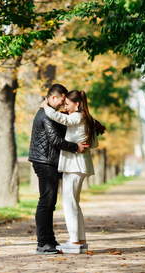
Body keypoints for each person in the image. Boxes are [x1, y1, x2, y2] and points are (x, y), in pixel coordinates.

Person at [29, 84, 88, 255]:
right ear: (53, 98)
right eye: (62, 100)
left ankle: (49, 240)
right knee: (46, 203)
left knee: (50, 203)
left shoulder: (51, 114)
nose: (63, 104)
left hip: (49, 161)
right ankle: (43, 243)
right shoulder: (46, 115)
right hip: (44, 161)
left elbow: (63, 129)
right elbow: (55, 140)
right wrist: (76, 147)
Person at [40, 90, 98, 254]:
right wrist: (83, 142)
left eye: (67, 104)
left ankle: (74, 242)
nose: (66, 107)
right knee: (75, 203)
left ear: (77, 104)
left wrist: (46, 106)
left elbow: (61, 118)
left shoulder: (78, 116)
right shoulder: (88, 119)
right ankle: (81, 240)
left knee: (69, 204)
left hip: (74, 166)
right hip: (81, 166)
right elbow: (94, 144)